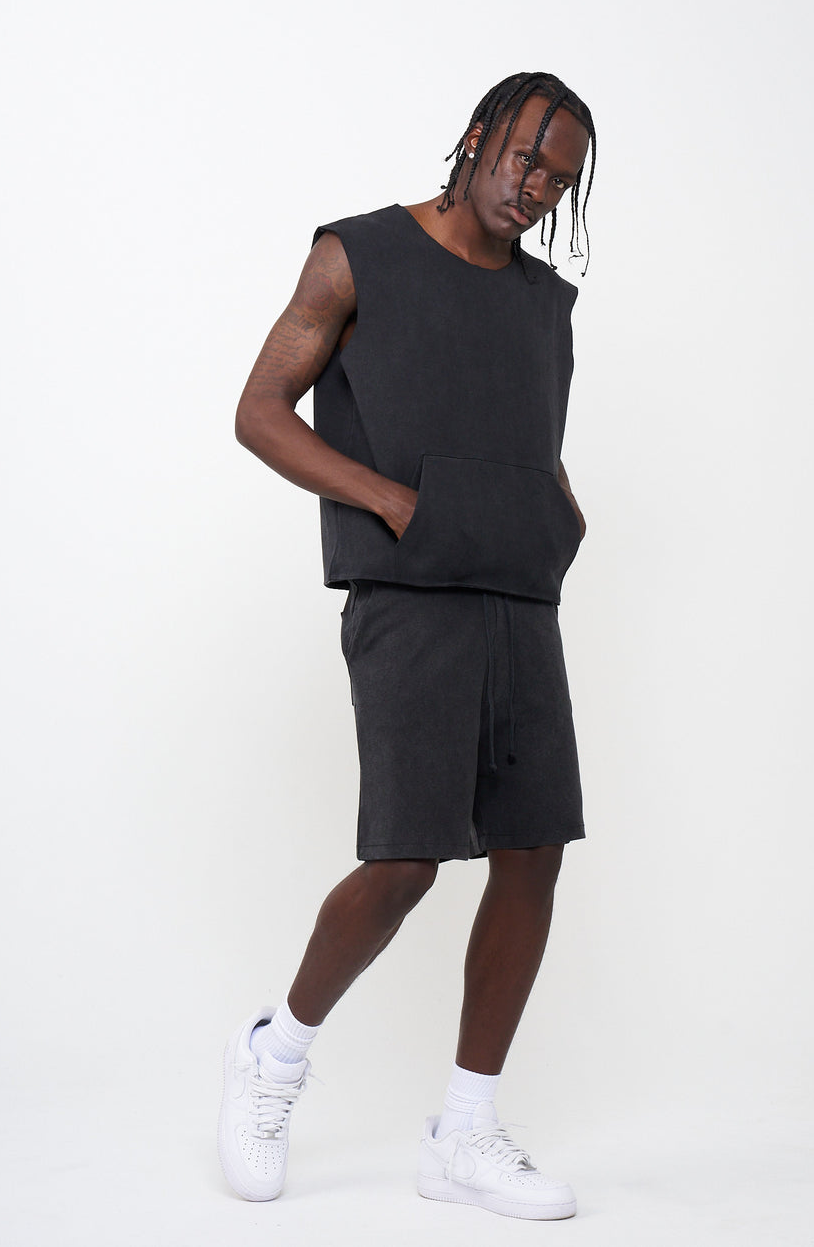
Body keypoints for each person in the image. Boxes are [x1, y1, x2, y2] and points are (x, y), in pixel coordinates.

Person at [219, 71, 597, 1222]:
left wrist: (558, 514)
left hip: (518, 594)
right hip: (409, 593)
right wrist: (389, 500)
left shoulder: (545, 302)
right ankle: (275, 1054)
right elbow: (259, 410)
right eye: (524, 159)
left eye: (558, 180)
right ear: (477, 136)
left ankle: (464, 1131)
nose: (533, 189)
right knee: (406, 860)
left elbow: (524, 433)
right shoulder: (358, 254)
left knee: (532, 852)